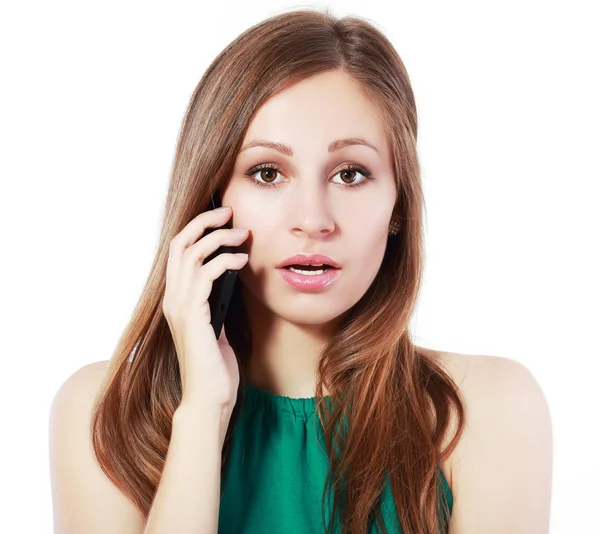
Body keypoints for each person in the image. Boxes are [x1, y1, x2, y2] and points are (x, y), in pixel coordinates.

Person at [48, 7, 553, 534]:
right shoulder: (102, 414)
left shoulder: (486, 411)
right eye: (268, 173)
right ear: (212, 198)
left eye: (350, 173)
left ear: (399, 204)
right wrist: (201, 413)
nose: (312, 220)